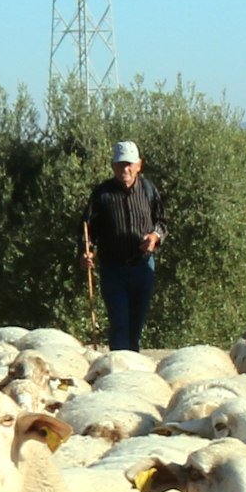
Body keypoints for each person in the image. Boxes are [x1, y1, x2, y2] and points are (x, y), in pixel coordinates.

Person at [81, 138, 165, 349]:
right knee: (119, 323)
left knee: (136, 325)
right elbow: (87, 229)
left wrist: (154, 237)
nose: (124, 169)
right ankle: (118, 370)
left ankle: (132, 368)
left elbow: (162, 222)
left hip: (143, 267)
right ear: (112, 165)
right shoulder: (102, 194)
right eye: (120, 164)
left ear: (139, 165)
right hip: (113, 269)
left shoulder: (148, 190)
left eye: (129, 164)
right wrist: (87, 252)